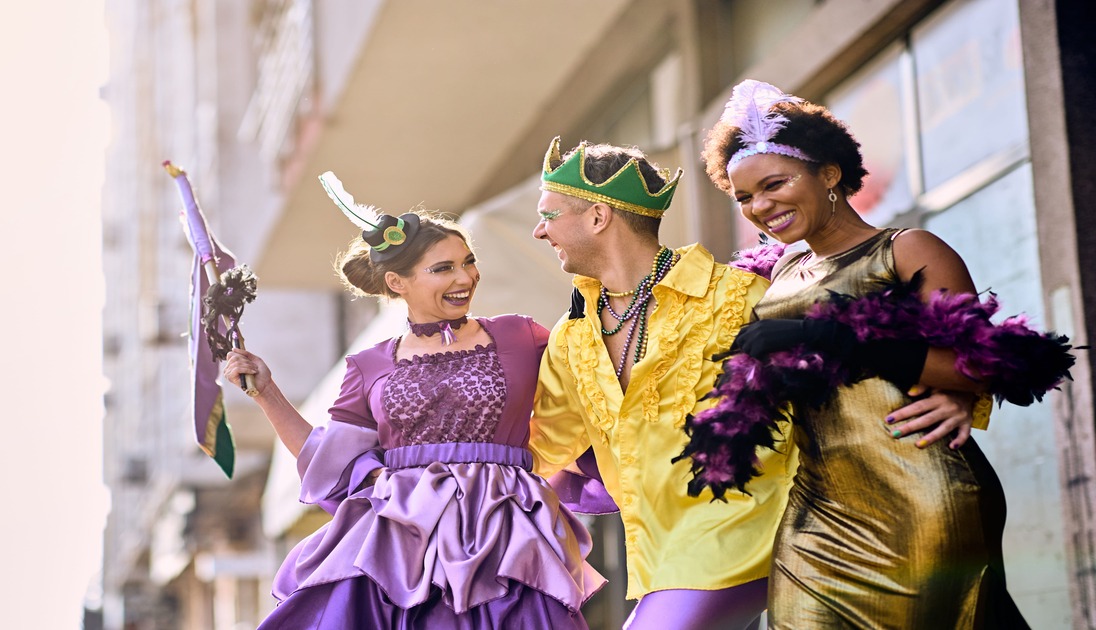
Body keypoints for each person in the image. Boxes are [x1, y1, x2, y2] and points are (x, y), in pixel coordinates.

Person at [525, 136, 983, 630]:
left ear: (597, 217)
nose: (538, 231)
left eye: (549, 215)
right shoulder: (572, 336)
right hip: (660, 559)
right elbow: (542, 448)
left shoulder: (744, 295)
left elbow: (856, 353)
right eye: (745, 197)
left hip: (768, 531)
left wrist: (958, 391)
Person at [698, 79, 1048, 628]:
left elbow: (980, 364)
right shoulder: (779, 273)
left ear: (829, 174)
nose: (761, 206)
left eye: (775, 184)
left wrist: (825, 337)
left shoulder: (906, 249)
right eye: (745, 197)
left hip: (920, 494)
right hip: (818, 510)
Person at [225, 178, 604, 629]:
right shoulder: (369, 365)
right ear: (396, 282)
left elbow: (591, 391)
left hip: (507, 535)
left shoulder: (521, 336)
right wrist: (266, 393)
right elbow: (329, 464)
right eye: (443, 269)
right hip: (403, 543)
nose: (465, 278)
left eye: (469, 262)